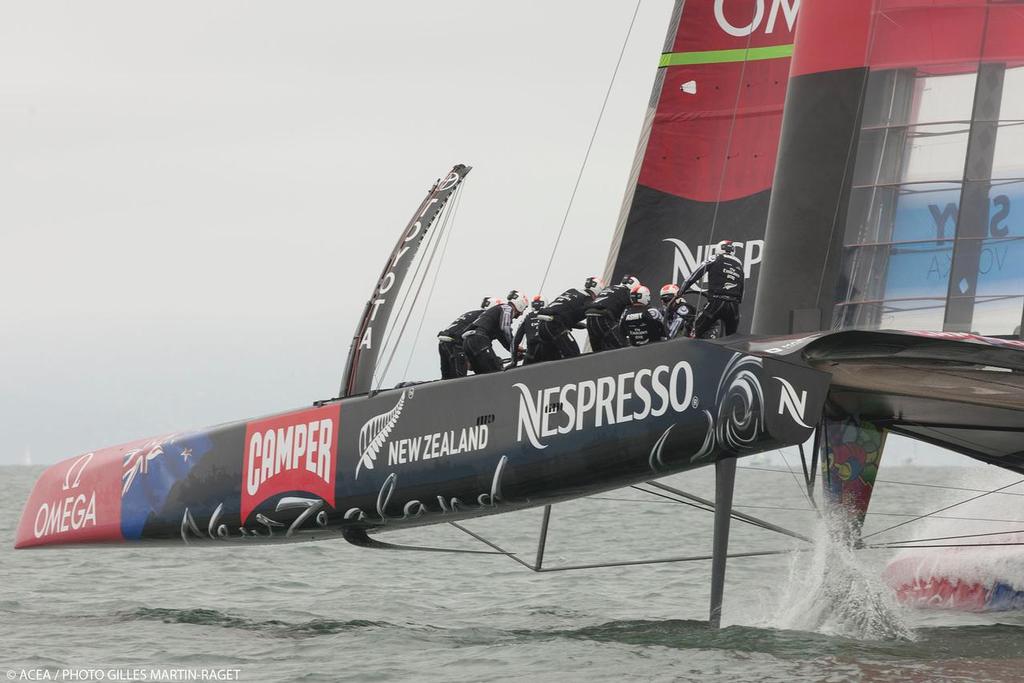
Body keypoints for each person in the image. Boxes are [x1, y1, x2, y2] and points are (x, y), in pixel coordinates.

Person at [681, 239, 744, 338]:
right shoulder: (739, 264)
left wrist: (681, 291)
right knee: (732, 340)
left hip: (716, 302)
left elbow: (695, 275)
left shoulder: (714, 258)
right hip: (734, 306)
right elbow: (741, 288)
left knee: (694, 333)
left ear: (719, 248)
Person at [533, 277, 601, 361]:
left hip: (542, 325)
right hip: (554, 324)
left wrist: (577, 324)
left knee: (552, 358)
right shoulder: (588, 299)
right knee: (574, 354)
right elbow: (592, 311)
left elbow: (565, 311)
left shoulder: (572, 291)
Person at [463, 290, 529, 374]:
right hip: (479, 339)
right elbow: (505, 329)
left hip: (467, 341)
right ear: (521, 304)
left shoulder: (495, 312)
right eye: (524, 309)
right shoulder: (507, 308)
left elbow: (502, 337)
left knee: (482, 375)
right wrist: (514, 345)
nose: (522, 313)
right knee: (495, 371)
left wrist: (514, 350)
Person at [437, 298, 493, 379]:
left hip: (443, 342)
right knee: (459, 378)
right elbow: (477, 343)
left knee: (446, 378)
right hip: (454, 344)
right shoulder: (483, 318)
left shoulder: (471, 314)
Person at [585, 275, 640, 351]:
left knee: (597, 352)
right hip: (604, 317)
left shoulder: (609, 288)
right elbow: (631, 314)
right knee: (624, 348)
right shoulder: (627, 293)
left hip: (589, 318)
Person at [511, 295, 551, 367]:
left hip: (531, 353)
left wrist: (514, 360)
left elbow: (515, 341)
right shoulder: (551, 315)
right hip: (550, 352)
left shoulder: (526, 318)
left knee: (524, 375)